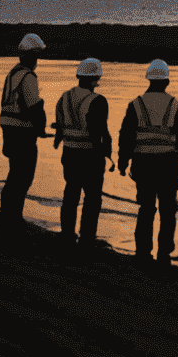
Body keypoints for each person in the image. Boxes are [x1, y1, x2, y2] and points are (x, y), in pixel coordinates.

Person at [117, 59, 178, 266]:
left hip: (143, 164)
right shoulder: (175, 106)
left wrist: (123, 162)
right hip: (167, 164)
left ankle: (143, 250)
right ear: (166, 81)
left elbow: (126, 136)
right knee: (168, 210)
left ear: (148, 79)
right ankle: (164, 252)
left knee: (146, 208)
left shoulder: (136, 105)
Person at [54, 57, 112, 251]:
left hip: (69, 153)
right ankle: (87, 239)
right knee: (92, 198)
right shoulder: (97, 100)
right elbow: (100, 132)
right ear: (95, 78)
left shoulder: (64, 97)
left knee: (70, 194)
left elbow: (60, 128)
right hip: (90, 156)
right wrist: (106, 151)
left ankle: (67, 235)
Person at [0, 32, 48, 231]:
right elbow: (34, 107)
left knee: (14, 174)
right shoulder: (28, 77)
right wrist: (41, 129)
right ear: (31, 55)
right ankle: (14, 218)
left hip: (8, 129)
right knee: (23, 176)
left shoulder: (13, 74)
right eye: (37, 56)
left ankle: (6, 214)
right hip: (22, 132)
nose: (38, 60)